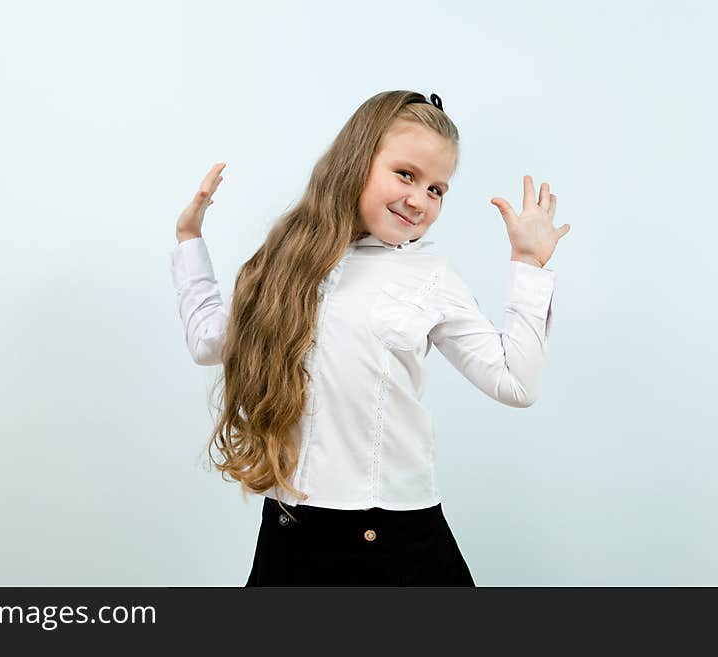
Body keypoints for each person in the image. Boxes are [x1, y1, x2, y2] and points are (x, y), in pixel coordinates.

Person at [169, 90, 570, 586]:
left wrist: (529, 265)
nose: (419, 200)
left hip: (400, 539)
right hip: (291, 534)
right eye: (406, 174)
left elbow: (516, 383)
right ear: (357, 160)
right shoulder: (281, 262)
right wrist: (190, 241)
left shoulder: (431, 276)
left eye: (437, 190)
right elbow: (208, 340)